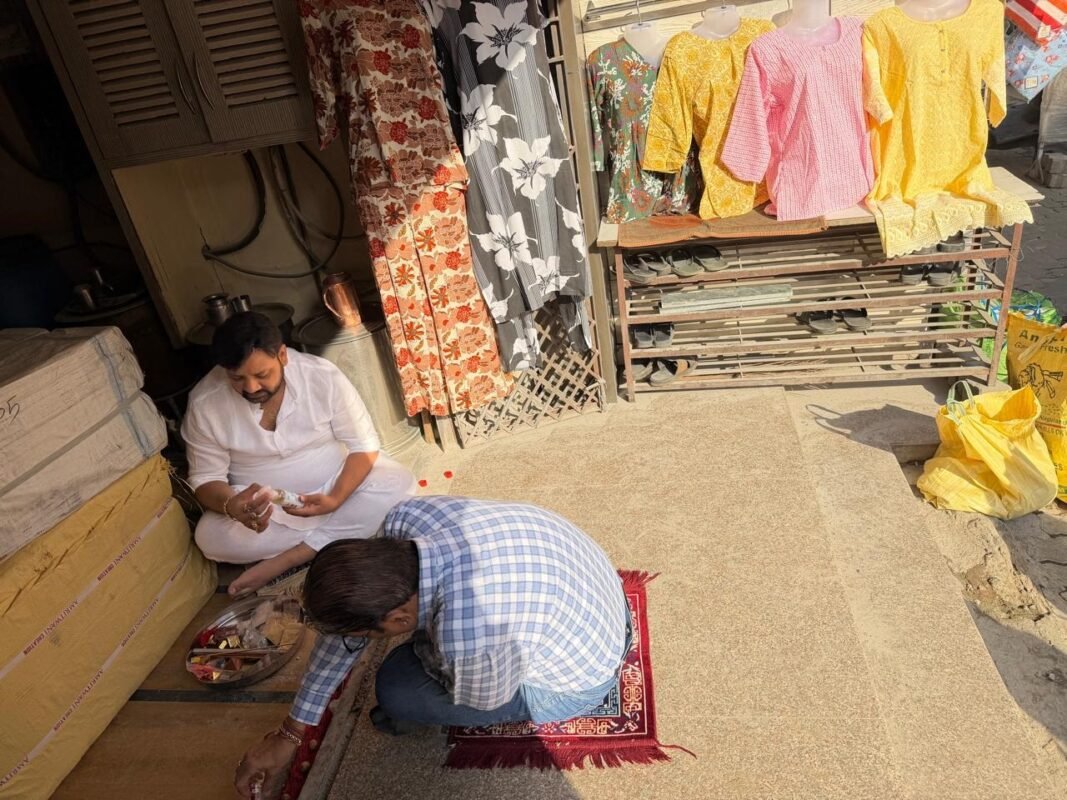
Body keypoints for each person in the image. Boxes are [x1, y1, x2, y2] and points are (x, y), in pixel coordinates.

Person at [232, 496, 630, 797]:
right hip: (597, 589)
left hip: (585, 677)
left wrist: (431, 647)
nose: (354, 641)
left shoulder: (465, 635)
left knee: (398, 689)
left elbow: (487, 697)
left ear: (399, 621)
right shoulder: (405, 518)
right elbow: (344, 634)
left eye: (363, 634)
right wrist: (292, 732)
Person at [181, 312, 417, 596]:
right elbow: (206, 479)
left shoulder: (322, 375)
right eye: (237, 378)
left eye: (262, 375)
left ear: (282, 355)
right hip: (266, 512)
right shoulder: (205, 403)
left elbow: (363, 446)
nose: (251, 388)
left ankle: (292, 557)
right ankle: (347, 531)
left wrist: (335, 498)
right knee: (209, 537)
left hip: (338, 486)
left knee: (398, 481)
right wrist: (233, 505)